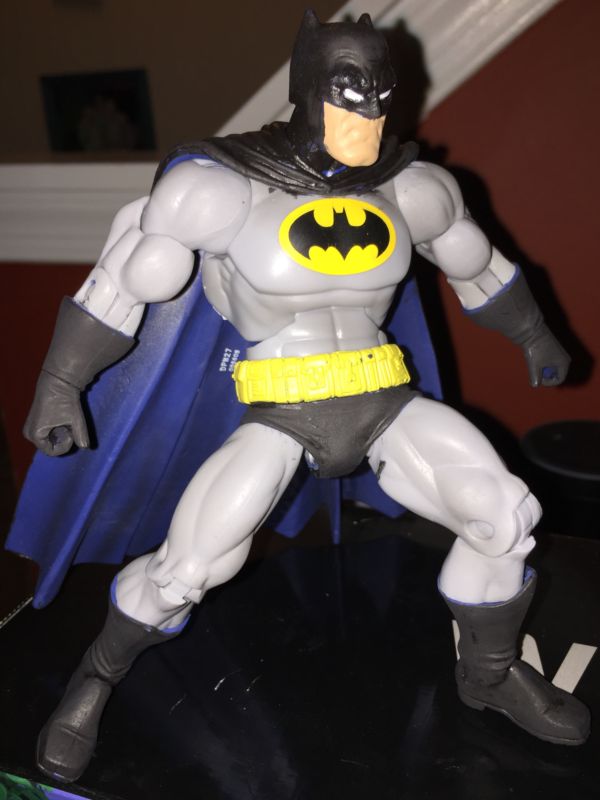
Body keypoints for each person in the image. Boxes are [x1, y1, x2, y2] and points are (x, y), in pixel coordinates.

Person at [23, 10, 588, 784]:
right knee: (186, 570)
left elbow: (477, 264)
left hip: (383, 397)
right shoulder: (221, 189)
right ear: (309, 87)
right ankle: (95, 678)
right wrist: (62, 383)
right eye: (350, 88)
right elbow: (126, 282)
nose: (369, 107)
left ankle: (487, 674)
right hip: (279, 407)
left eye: (382, 90)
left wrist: (534, 335)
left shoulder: (410, 187)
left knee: (506, 517)